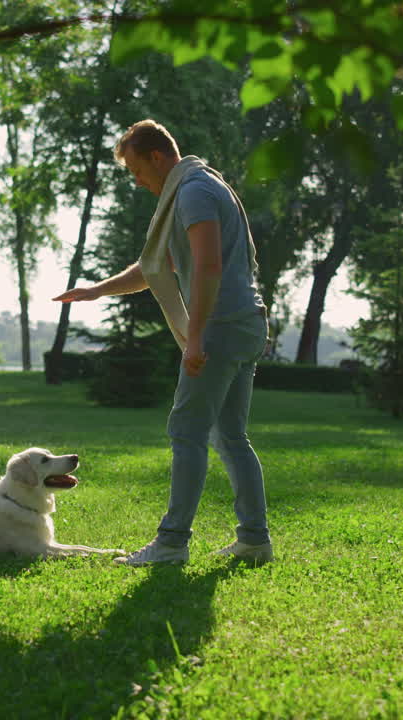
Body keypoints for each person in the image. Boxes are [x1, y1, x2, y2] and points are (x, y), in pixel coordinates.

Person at [53, 119, 273, 566]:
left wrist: (195, 339)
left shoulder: (192, 193)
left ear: (157, 157)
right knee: (230, 435)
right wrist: (96, 290)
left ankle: (172, 542)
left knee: (186, 431)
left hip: (221, 326)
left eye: (137, 171)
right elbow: (159, 264)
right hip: (244, 323)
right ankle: (254, 540)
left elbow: (207, 266)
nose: (138, 182)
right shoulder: (201, 187)